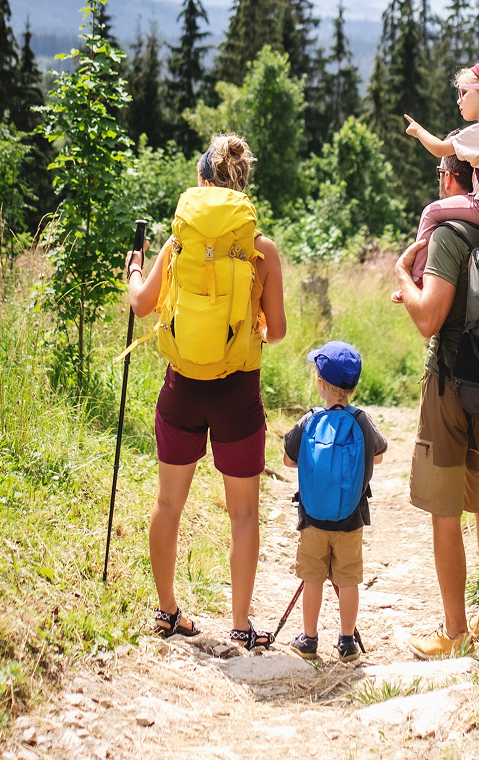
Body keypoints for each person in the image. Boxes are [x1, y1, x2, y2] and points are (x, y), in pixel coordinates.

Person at [123, 134, 289, 650]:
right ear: (242, 186)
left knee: (168, 504)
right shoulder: (261, 249)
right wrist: (250, 319)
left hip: (182, 390)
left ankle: (168, 612)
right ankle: (241, 624)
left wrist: (132, 270)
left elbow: (142, 306)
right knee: (242, 513)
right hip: (238, 393)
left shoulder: (178, 241)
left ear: (202, 181)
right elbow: (278, 331)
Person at [393, 154, 479, 659]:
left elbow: (428, 320)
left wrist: (404, 275)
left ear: (449, 179)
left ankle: (455, 630)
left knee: (445, 509)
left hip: (448, 384)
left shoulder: (446, 234)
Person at [281, 341, 389, 663]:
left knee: (312, 577)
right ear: (353, 386)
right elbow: (380, 456)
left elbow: (288, 460)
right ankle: (346, 642)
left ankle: (309, 640)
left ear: (320, 382)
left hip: (312, 520)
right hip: (351, 520)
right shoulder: (363, 421)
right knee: (348, 579)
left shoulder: (309, 420)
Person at [398, 58, 479, 289]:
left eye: (464, 92)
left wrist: (417, 131)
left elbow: (438, 148)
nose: (459, 100)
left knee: (430, 212)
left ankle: (417, 279)